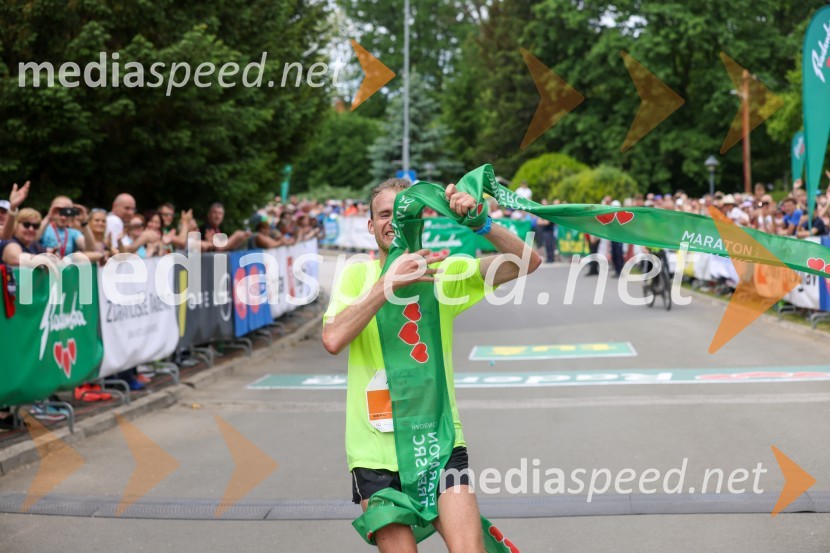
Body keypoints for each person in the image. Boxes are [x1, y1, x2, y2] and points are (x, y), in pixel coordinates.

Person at [322, 178, 541, 553]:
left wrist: (480, 223)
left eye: (403, 212)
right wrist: (385, 285)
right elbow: (332, 339)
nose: (394, 221)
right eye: (384, 214)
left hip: (436, 441)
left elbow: (527, 261)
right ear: (371, 225)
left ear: (420, 218)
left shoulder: (442, 273)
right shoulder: (356, 276)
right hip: (374, 452)